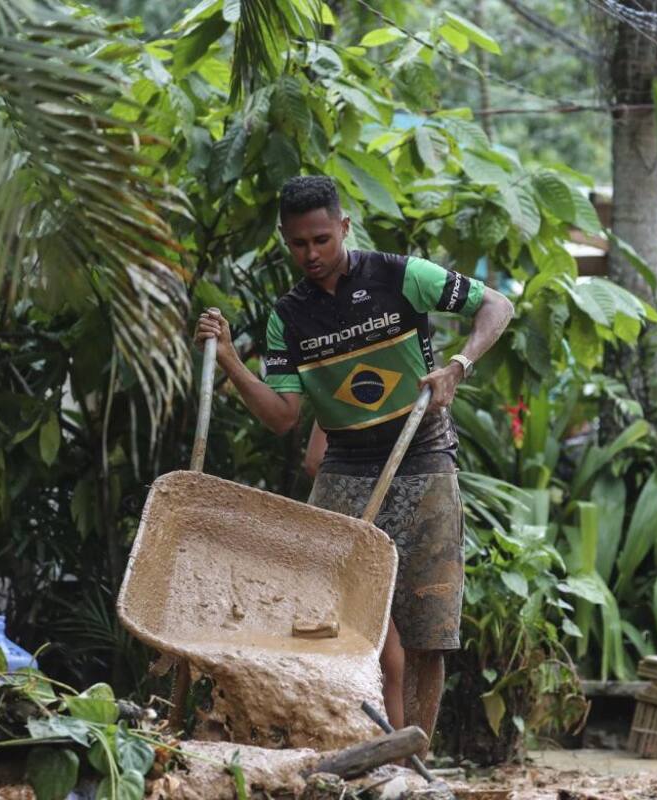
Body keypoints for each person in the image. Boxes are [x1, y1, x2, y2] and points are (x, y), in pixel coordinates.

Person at [194, 175, 513, 741]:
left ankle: (415, 764)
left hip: (422, 462)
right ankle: (350, 748)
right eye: (298, 244)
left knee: (427, 631)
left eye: (321, 239)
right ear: (284, 240)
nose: (311, 254)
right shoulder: (287, 317)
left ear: (343, 226)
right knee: (328, 624)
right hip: (344, 473)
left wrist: (458, 365)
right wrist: (231, 366)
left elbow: (496, 304)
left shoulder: (401, 276)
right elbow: (284, 416)